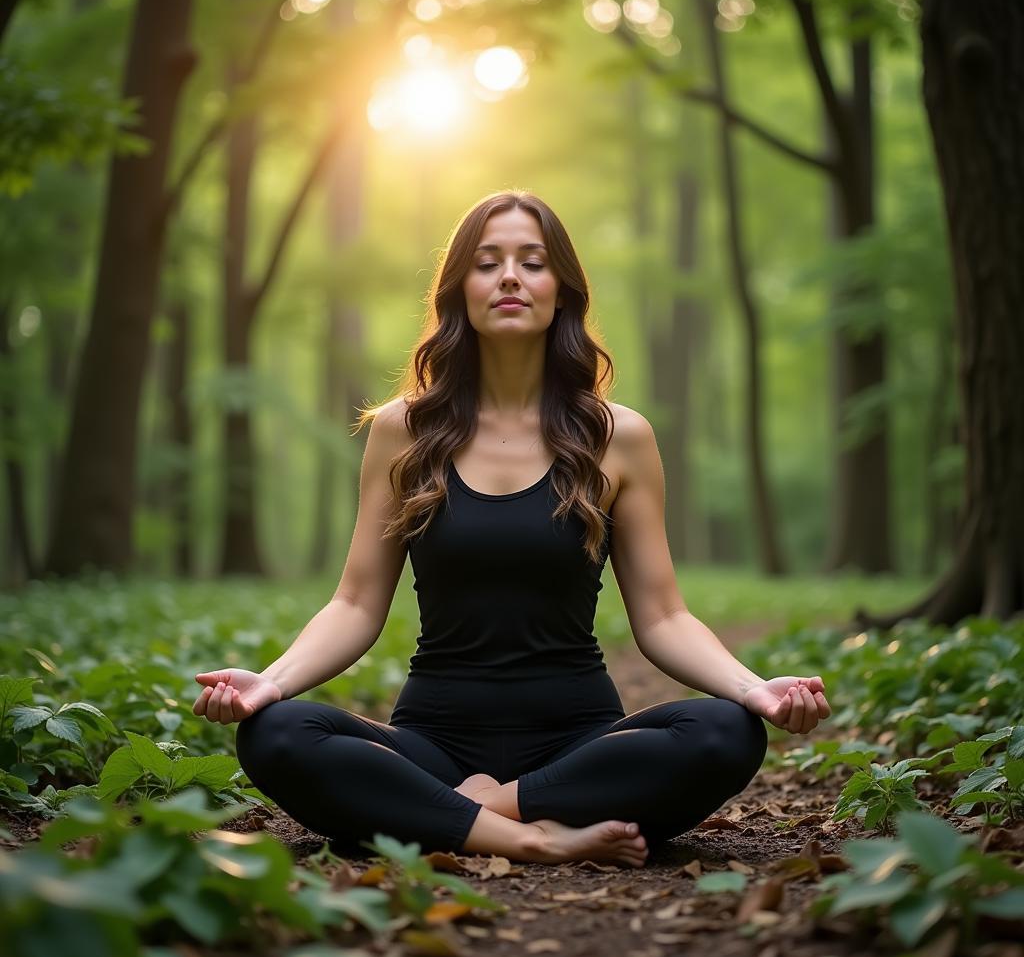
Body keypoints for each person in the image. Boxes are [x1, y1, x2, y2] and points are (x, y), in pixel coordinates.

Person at [192, 190, 831, 868]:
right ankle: (534, 836)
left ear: (562, 291)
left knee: (724, 733)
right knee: (277, 734)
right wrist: (273, 682)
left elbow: (664, 616)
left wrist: (750, 688)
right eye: (487, 262)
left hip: (578, 746)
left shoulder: (620, 438)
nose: (509, 277)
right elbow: (354, 604)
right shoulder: (401, 432)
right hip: (433, 743)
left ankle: (449, 814)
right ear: (458, 290)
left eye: (532, 262)